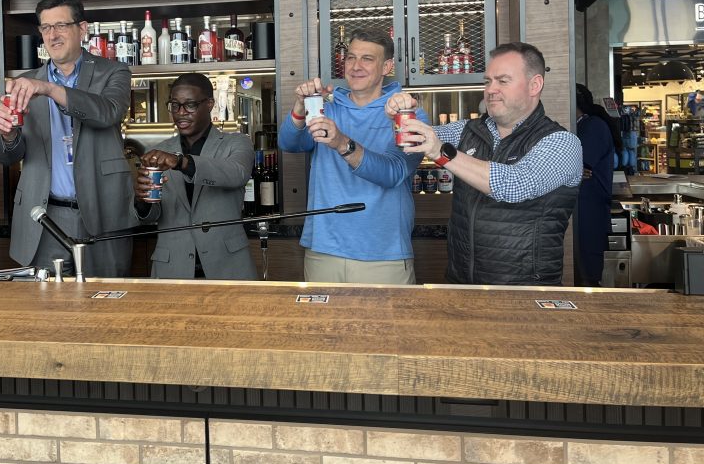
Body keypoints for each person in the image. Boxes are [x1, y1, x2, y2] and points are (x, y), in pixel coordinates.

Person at [386, 42, 583, 286]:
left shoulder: (561, 142)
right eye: (488, 81)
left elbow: (515, 185)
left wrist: (442, 153)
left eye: (503, 80)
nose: (491, 89)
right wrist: (402, 113)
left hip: (524, 290)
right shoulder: (467, 131)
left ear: (535, 85)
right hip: (461, 284)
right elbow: (414, 139)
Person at [0, 0, 136, 277]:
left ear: (82, 28)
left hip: (102, 211)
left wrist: (49, 89)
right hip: (44, 216)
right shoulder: (24, 83)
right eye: (45, 27)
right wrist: (7, 135)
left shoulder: (113, 71)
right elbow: (8, 157)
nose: (52, 35)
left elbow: (108, 112)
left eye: (61, 26)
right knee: (45, 310)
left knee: (104, 302)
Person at [277, 30, 427, 284]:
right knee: (321, 325)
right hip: (324, 249)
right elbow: (289, 143)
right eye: (350, 58)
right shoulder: (326, 108)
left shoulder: (408, 114)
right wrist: (301, 106)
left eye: (367, 59)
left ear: (387, 66)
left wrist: (341, 143)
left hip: (383, 254)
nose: (356, 66)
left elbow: (393, 173)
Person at [133, 73, 256, 280]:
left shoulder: (236, 143)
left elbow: (237, 173)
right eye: (175, 105)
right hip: (173, 269)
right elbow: (152, 215)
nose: (181, 113)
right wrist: (141, 200)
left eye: (190, 105)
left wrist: (181, 162)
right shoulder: (159, 151)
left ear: (209, 104)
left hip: (227, 267)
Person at [575, 83, 620, 287]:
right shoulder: (580, 126)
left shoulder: (592, 126)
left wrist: (572, 169)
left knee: (587, 278)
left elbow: (578, 166)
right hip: (582, 212)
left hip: (589, 213)